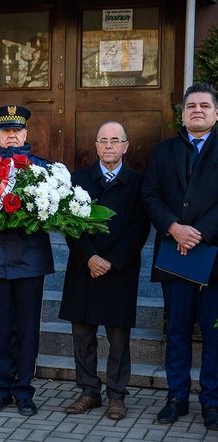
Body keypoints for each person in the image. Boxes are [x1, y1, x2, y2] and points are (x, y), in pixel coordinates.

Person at [59, 121, 149, 420]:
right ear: (95, 146)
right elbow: (70, 222)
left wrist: (112, 260)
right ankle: (88, 392)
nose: (109, 145)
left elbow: (140, 226)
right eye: (103, 140)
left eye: (115, 140)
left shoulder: (138, 182)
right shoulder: (79, 178)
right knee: (82, 336)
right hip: (84, 269)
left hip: (119, 272)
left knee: (118, 341)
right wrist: (90, 257)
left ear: (125, 146)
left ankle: (117, 396)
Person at [142, 82, 218, 431]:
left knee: (215, 337)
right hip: (174, 257)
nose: (197, 110)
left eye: (205, 105)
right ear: (183, 114)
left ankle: (212, 402)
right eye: (191, 106)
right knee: (177, 332)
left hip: (213, 260)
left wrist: (197, 232)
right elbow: (150, 195)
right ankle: (176, 398)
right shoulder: (164, 151)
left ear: (216, 113)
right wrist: (174, 228)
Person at [0, 105, 53, 416]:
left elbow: (53, 213)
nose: (11, 136)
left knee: (26, 329)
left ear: (25, 134)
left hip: (29, 261)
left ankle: (24, 390)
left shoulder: (44, 170)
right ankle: (1, 390)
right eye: (4, 131)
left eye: (16, 131)